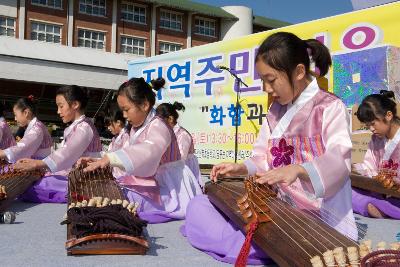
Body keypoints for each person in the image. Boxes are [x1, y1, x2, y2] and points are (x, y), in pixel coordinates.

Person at [181, 32, 358, 265]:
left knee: (238, 234)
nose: (266, 88)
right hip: (277, 204)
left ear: (299, 72)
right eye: (263, 80)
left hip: (317, 214)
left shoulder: (329, 107)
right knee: (199, 204)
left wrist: (299, 170)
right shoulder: (276, 110)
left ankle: (244, 243)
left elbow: (339, 159)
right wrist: (240, 167)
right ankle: (245, 242)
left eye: (271, 79)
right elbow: (264, 160)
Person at [79, 77, 202, 223]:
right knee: (112, 191)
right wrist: (103, 160)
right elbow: (129, 153)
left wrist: (111, 159)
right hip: (153, 180)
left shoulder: (158, 126)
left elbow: (149, 151)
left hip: (169, 187)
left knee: (127, 199)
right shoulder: (139, 126)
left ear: (144, 105)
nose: (124, 115)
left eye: (126, 110)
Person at [15, 85, 102, 203]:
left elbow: (67, 153)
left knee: (34, 186)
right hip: (74, 173)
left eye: (61, 106)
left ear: (75, 105)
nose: (58, 111)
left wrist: (37, 164)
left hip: (86, 178)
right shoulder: (79, 126)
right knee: (35, 182)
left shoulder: (84, 128)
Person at [352, 90, 400, 219]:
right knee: (344, 189)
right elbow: (368, 166)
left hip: (397, 195)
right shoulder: (375, 140)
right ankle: (380, 208)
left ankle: (377, 209)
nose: (371, 129)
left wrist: (394, 182)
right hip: (381, 193)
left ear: (389, 115)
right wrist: (375, 177)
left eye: (373, 123)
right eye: (368, 126)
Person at [156, 102, 203, 188]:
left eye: (160, 122)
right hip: (172, 171)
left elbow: (181, 158)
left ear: (170, 119)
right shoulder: (166, 133)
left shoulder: (182, 135)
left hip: (183, 170)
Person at [0, 96, 52, 163]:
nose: (15, 119)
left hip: (40, 167)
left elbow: (22, 148)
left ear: (26, 113)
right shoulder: (36, 126)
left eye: (16, 115)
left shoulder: (37, 129)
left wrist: (3, 153)